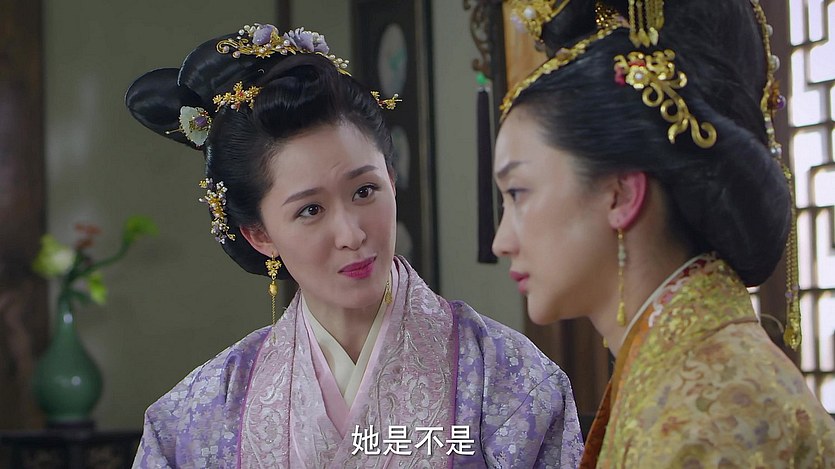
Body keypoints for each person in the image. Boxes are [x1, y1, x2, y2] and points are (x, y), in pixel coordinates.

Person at [125, 23, 583, 467]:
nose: (352, 235)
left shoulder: (508, 381)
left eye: (365, 191)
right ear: (260, 235)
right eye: (310, 210)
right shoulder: (196, 418)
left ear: (392, 182)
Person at [494, 0, 835, 467]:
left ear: (620, 195)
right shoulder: (690, 373)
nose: (501, 241)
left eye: (518, 193)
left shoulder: (709, 415)